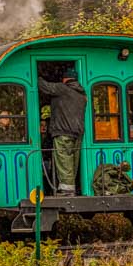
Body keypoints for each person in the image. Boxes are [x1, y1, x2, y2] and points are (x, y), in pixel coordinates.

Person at [38, 67, 87, 197]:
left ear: (65, 78)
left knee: (63, 160)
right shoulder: (82, 94)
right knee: (73, 161)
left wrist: (36, 75)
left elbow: (44, 87)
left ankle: (67, 190)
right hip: (78, 132)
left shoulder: (63, 89)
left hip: (63, 131)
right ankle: (72, 187)